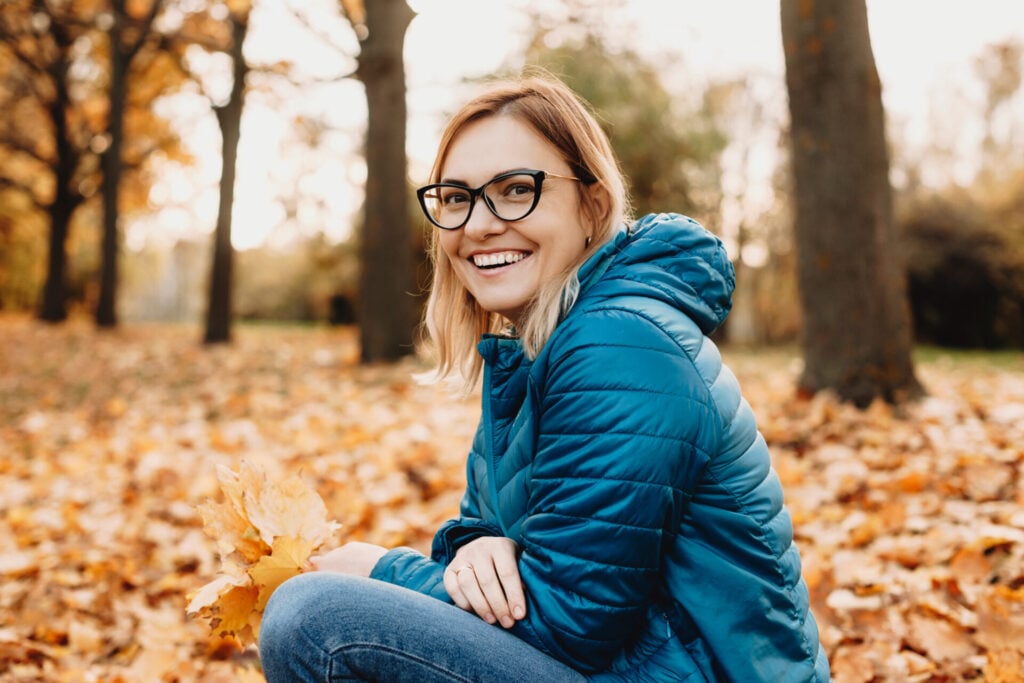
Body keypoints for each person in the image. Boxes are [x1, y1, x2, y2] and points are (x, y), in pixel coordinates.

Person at [259, 74, 831, 682]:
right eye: (456, 197)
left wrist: (377, 570)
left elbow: (566, 623)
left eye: (514, 189)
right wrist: (475, 544)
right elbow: (495, 531)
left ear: (592, 204)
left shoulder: (618, 345)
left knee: (317, 617)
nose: (478, 225)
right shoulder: (537, 350)